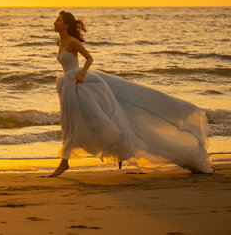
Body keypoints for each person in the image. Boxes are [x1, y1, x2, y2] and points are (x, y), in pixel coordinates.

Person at [48, 10, 212, 177]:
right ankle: (74, 158)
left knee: (95, 120)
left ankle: (70, 160)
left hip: (79, 84)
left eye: (58, 20)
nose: (55, 22)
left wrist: (82, 74)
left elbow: (89, 59)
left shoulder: (72, 42)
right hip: (68, 86)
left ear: (66, 24)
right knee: (70, 123)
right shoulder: (59, 42)